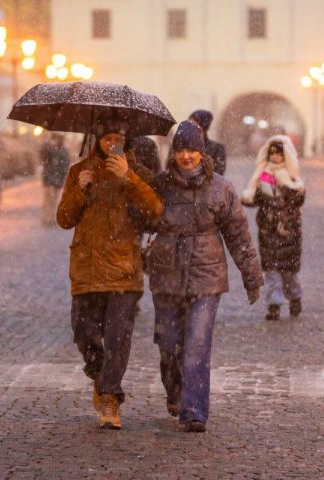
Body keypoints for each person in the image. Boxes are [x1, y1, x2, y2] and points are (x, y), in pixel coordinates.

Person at [148, 121, 263, 433]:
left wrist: (251, 276)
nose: (187, 156)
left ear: (202, 152)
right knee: (170, 344)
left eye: (193, 150)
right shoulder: (160, 185)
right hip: (167, 275)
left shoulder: (221, 188)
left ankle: (194, 409)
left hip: (207, 276)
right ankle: (175, 390)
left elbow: (238, 236)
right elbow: (140, 219)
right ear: (173, 153)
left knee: (197, 342)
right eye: (181, 150)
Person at [56, 113, 163, 430]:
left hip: (123, 269)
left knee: (118, 338)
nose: (113, 143)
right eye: (107, 138)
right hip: (87, 269)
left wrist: (129, 179)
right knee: (85, 334)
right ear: (98, 140)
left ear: (126, 140)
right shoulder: (80, 171)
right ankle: (101, 378)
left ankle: (110, 399)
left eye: (119, 137)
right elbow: (64, 218)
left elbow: (156, 214)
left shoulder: (138, 173)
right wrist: (80, 189)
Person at [241, 135, 305, 322]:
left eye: (279, 154)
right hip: (268, 232)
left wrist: (286, 188)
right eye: (272, 154)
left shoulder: (293, 178)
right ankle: (274, 305)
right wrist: (249, 198)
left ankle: (295, 297)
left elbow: (298, 200)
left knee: (289, 273)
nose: (275, 158)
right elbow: (256, 200)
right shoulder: (263, 177)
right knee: (271, 271)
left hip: (288, 232)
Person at [40, 133, 70, 225]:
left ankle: (49, 217)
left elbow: (65, 165)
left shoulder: (62, 151)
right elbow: (43, 158)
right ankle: (48, 217)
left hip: (54, 178)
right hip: (51, 178)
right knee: (50, 199)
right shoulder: (51, 149)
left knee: (52, 199)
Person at [189, 110, 227, 176]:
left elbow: (217, 175)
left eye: (193, 124)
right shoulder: (177, 146)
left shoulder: (217, 149)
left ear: (203, 127)